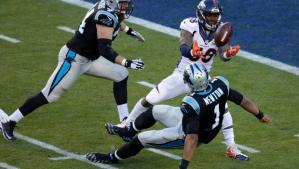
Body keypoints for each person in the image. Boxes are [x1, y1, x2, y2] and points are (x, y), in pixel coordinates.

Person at [106, 0, 246, 160]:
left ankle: (231, 146)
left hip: (203, 80)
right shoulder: (190, 25)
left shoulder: (221, 30)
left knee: (223, 106)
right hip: (183, 75)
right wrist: (192, 53)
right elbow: (183, 46)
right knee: (151, 99)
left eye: (215, 16)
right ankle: (127, 126)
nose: (213, 19)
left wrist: (228, 54)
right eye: (209, 15)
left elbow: (222, 54)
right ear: (201, 14)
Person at [0, 0, 145, 141]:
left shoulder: (107, 9)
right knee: (49, 95)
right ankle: (10, 121)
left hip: (91, 59)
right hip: (74, 59)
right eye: (124, 3)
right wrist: (127, 62)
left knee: (121, 75)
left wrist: (129, 31)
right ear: (113, 2)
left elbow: (116, 21)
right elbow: (105, 49)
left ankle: (124, 123)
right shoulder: (104, 16)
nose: (127, 6)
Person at [86, 63, 272, 168]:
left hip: (192, 134)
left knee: (143, 139)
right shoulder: (220, 83)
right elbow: (243, 100)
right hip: (199, 122)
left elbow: (191, 137)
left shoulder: (192, 103)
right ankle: (128, 131)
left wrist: (183, 165)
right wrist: (260, 115)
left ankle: (111, 158)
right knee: (155, 110)